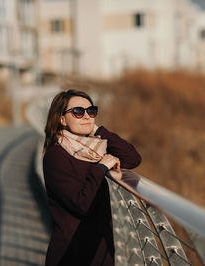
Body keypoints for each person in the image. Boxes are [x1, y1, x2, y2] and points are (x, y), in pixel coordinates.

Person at [43, 89, 141, 266]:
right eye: (78, 112)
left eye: (91, 111)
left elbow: (133, 158)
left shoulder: (96, 149)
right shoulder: (56, 157)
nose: (87, 116)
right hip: (72, 254)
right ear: (62, 119)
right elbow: (81, 204)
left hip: (101, 250)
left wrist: (98, 129)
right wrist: (101, 168)